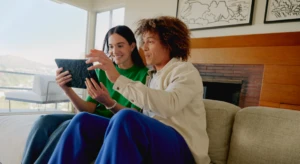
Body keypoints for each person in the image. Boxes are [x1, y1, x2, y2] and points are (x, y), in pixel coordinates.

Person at [49, 16, 210, 164]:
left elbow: (169, 105)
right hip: (154, 141)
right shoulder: (151, 77)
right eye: (143, 42)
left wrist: (116, 78)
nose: (144, 47)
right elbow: (143, 118)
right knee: (83, 120)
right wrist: (108, 102)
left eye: (150, 42)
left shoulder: (185, 70)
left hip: (183, 150)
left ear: (169, 44)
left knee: (128, 117)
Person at [21, 25, 148, 164]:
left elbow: (133, 116)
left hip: (113, 124)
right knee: (44, 121)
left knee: (67, 125)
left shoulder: (143, 75)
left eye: (120, 45)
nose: (114, 51)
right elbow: (87, 109)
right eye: (111, 46)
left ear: (132, 46)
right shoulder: (101, 71)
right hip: (90, 117)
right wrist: (67, 89)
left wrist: (107, 102)